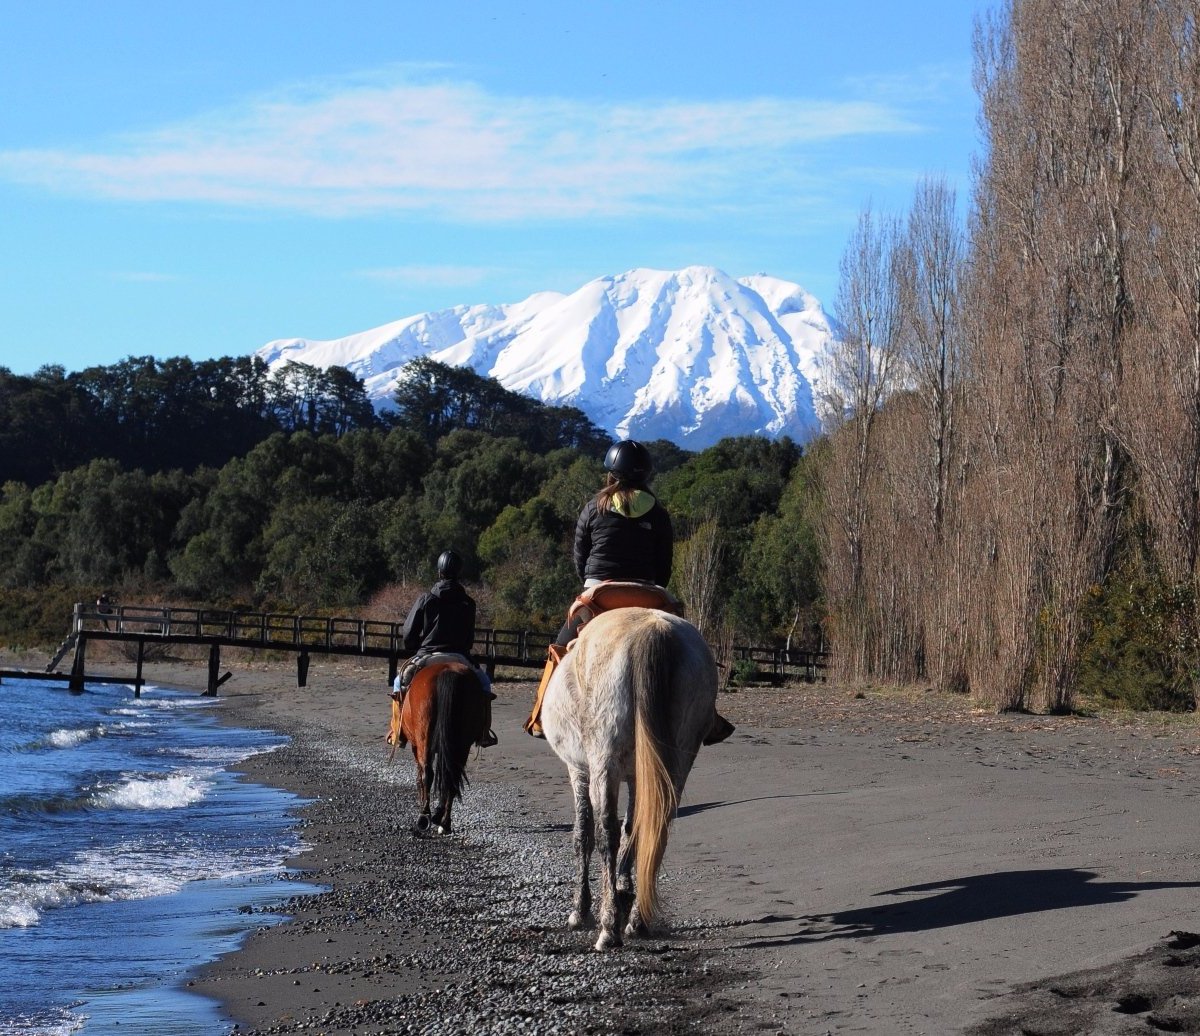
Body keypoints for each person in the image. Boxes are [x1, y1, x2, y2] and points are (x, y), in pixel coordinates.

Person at [524, 439, 734, 745]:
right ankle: (708, 717)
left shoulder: (593, 508)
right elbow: (665, 564)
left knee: (560, 647)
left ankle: (541, 713)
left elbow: (580, 558)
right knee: (690, 645)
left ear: (611, 472)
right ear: (646, 475)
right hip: (648, 591)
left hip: (600, 593)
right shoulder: (658, 512)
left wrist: (593, 579)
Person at [394, 550, 497, 748]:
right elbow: (468, 638)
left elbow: (408, 633)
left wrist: (414, 647)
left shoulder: (426, 599)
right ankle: (484, 733)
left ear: (439, 571)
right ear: (459, 572)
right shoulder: (468, 603)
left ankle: (398, 730)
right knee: (484, 685)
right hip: (459, 656)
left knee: (399, 682)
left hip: (427, 655)